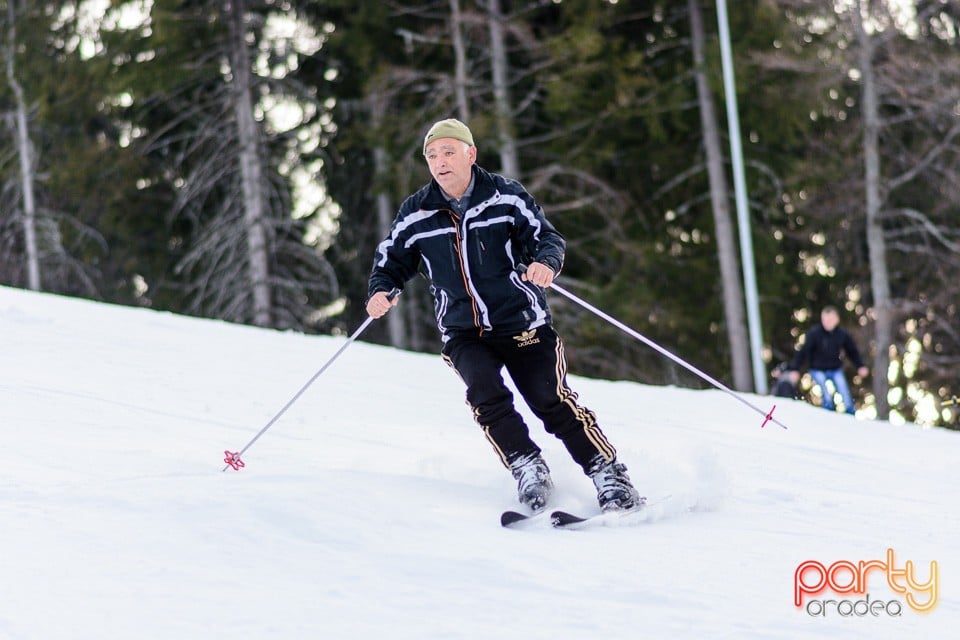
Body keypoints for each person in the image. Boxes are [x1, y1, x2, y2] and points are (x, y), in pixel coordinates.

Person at [366, 118, 642, 514]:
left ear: (470, 154)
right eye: (431, 155)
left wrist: (546, 262)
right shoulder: (417, 212)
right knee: (485, 395)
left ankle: (608, 473)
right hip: (464, 330)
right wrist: (380, 290)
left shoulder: (505, 197)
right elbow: (391, 261)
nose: (440, 162)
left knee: (549, 400)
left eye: (448, 152)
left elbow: (547, 238)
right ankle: (527, 465)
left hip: (522, 323)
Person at [789, 306, 868, 415]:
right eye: (824, 320)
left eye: (830, 320)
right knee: (826, 394)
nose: (827, 323)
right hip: (817, 369)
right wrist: (795, 369)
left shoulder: (842, 334)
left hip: (835, 369)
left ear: (837, 320)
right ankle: (828, 414)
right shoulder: (814, 333)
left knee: (844, 392)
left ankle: (850, 414)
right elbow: (803, 351)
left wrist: (860, 366)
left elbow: (852, 351)